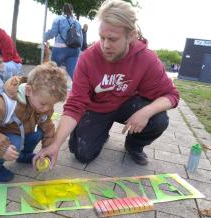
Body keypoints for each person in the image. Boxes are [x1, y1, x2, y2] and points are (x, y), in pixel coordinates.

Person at [33, 0, 179, 168]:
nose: (105, 45)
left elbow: (172, 95)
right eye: (102, 37)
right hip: (98, 107)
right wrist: (55, 145)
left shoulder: (147, 58)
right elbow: (74, 104)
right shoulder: (88, 58)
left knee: (159, 119)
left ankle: (134, 145)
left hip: (126, 104)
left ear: (131, 35)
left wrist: (146, 111)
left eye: (113, 39)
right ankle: (99, 131)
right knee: (81, 154)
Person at [0, 62, 67, 182]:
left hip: (21, 131)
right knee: (15, 142)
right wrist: (2, 147)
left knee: (38, 133)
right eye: (44, 104)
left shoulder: (42, 102)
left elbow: (47, 125)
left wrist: (48, 148)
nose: (47, 108)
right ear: (28, 90)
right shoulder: (4, 102)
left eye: (51, 104)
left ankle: (23, 156)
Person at [44, 3, 82, 80]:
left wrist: (44, 37)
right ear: (72, 11)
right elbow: (81, 39)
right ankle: (80, 89)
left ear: (63, 10)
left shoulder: (58, 19)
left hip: (60, 49)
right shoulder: (77, 22)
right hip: (74, 50)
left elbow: (52, 33)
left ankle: (52, 90)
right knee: (74, 73)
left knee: (53, 71)